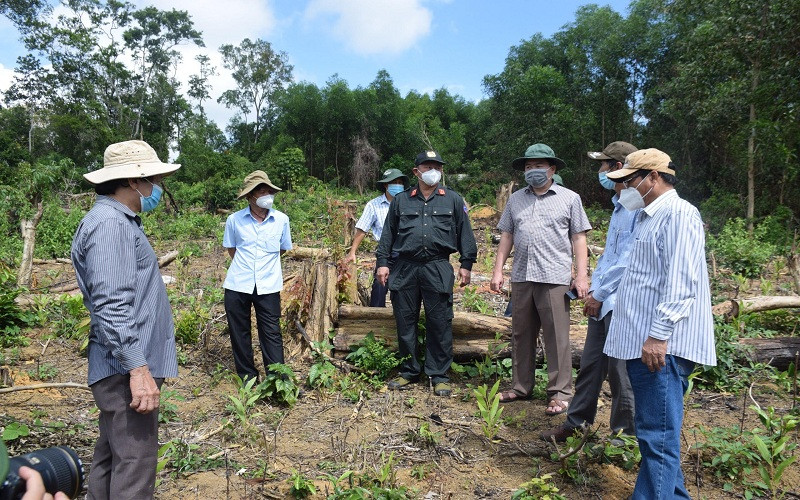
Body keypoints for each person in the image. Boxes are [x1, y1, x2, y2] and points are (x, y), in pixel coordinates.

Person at [604, 148, 716, 499]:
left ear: (654, 176)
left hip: (660, 348)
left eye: (631, 180)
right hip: (643, 343)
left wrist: (657, 335)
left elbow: (681, 282)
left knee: (657, 437)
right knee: (657, 437)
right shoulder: (646, 217)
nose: (625, 189)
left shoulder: (679, 214)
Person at [71, 140, 180, 499]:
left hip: (121, 367)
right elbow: (112, 305)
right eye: (153, 179)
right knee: (134, 465)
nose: (157, 188)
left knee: (112, 456)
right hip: (124, 370)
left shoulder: (117, 222)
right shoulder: (110, 226)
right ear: (133, 182)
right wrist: (139, 370)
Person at [541, 141, 638, 443]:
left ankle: (625, 436)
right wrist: (594, 289)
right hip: (605, 299)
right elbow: (610, 257)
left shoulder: (637, 206)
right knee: (591, 365)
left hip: (623, 302)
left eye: (603, 165)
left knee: (621, 371)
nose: (600, 171)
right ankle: (577, 422)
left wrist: (601, 292)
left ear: (619, 168)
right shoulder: (619, 203)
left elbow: (629, 259)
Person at [490, 143, 591, 415]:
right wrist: (498, 270)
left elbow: (579, 238)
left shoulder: (570, 198)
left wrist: (581, 275)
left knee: (556, 337)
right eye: (528, 166)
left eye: (538, 166)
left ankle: (559, 393)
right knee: (521, 334)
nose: (533, 171)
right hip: (522, 276)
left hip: (554, 277)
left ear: (552, 169)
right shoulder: (516, 199)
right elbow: (507, 236)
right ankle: (521, 386)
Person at [376, 150, 478, 397]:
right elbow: (388, 234)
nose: (433, 170)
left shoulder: (453, 199)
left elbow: (465, 233)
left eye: (437, 166)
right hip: (405, 267)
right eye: (427, 166)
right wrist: (382, 262)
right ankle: (409, 370)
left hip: (437, 266)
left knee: (440, 322)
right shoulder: (401, 201)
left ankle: (438, 374)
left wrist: (467, 264)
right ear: (416, 171)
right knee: (405, 320)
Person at [222, 170, 293, 382]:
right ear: (249, 196)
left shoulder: (281, 220)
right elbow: (232, 249)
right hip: (238, 285)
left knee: (271, 333)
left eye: (269, 190)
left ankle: (277, 380)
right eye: (261, 190)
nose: (267, 194)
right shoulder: (234, 220)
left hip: (268, 286)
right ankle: (247, 378)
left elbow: (283, 248)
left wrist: (264, 265)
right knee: (240, 333)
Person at [343, 168, 410, 306]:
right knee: (380, 286)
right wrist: (352, 251)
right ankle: (374, 317)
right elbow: (362, 229)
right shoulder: (374, 205)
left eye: (400, 182)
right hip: (386, 251)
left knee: (403, 289)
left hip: (406, 251)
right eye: (394, 182)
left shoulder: (409, 203)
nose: (397, 185)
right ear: (386, 185)